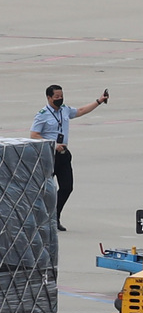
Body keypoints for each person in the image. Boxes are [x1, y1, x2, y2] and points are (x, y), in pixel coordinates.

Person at [30, 85, 109, 231]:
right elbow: (34, 134)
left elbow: (80, 111)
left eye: (61, 96)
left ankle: (54, 217)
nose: (60, 99)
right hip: (48, 156)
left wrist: (98, 101)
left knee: (67, 187)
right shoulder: (42, 114)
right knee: (43, 189)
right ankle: (37, 219)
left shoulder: (64, 110)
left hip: (63, 154)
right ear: (48, 98)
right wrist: (54, 145)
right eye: (56, 97)